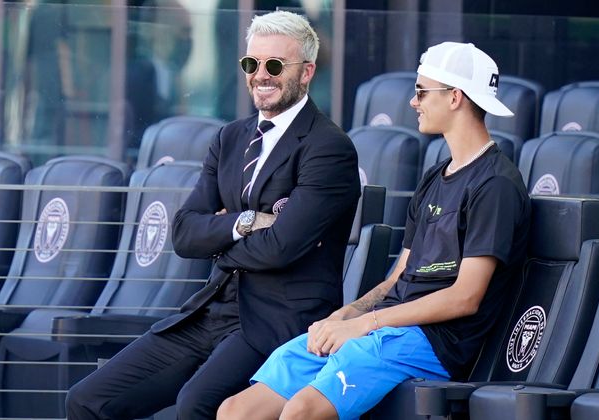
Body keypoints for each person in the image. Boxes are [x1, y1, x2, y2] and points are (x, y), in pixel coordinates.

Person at [65, 10, 361, 420]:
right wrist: (244, 222)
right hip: (211, 310)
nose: (261, 75)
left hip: (278, 321)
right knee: (86, 400)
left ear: (307, 71)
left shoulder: (328, 147)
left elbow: (281, 248)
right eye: (251, 64)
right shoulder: (230, 137)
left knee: (196, 405)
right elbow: (185, 234)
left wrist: (218, 240)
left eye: (275, 65)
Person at [217, 41, 532, 420]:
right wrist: (347, 315)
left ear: (455, 97)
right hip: (384, 329)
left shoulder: (495, 184)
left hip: (432, 342)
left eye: (421, 92)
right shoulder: (436, 175)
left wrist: (367, 324)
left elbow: (465, 297)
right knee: (237, 411)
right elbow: (400, 276)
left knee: (301, 411)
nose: (413, 102)